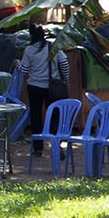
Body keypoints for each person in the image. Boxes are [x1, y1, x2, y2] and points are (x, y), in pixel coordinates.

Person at [14, 25, 70, 159]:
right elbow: (64, 62)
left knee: (36, 117)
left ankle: (38, 149)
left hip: (34, 87)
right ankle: (56, 146)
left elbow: (25, 70)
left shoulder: (29, 50)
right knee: (54, 117)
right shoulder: (52, 46)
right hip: (53, 88)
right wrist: (66, 81)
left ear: (31, 35)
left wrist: (17, 64)